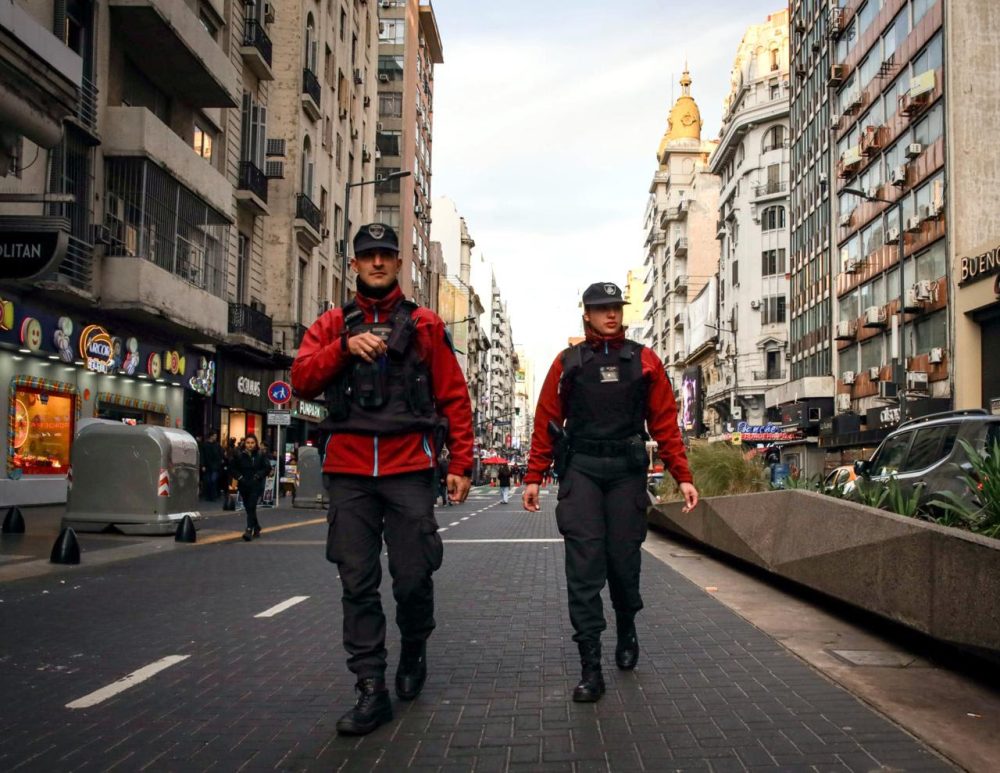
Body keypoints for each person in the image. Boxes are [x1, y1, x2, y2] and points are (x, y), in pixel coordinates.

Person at [291, 223, 474, 736]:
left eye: (385, 255)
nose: (376, 262)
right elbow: (300, 379)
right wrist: (344, 349)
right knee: (357, 582)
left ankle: (414, 645)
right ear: (354, 264)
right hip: (349, 471)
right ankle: (371, 687)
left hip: (409, 468)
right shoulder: (332, 323)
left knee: (413, 576)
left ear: (398, 263)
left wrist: (461, 464)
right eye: (368, 255)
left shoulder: (425, 324)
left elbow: (454, 397)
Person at [523, 281, 699, 703]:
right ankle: (590, 666)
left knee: (623, 562)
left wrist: (682, 474)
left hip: (625, 472)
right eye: (602, 308)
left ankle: (627, 625)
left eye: (616, 307)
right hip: (581, 469)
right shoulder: (567, 362)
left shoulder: (645, 360)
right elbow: (546, 420)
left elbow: (665, 422)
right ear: (586, 314)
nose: (612, 314)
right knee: (583, 568)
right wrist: (533, 476)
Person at [231, 433, 270, 541]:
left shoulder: (260, 455)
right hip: (244, 484)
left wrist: (258, 475)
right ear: (245, 443)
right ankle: (256, 527)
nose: (250, 445)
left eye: (252, 443)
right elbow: (233, 468)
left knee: (252, 505)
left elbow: (267, 468)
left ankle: (249, 529)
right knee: (248, 507)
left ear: (256, 443)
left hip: (256, 485)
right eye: (248, 443)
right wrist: (239, 477)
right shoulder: (239, 455)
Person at [201, 431, 225, 501]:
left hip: (215, 466)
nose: (216, 437)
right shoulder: (205, 445)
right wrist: (203, 465)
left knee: (213, 480)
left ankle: (213, 496)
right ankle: (209, 496)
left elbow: (221, 453)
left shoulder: (217, 445)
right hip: (208, 465)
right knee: (208, 481)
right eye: (214, 436)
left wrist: (221, 459)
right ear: (211, 436)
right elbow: (202, 455)